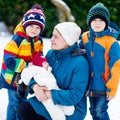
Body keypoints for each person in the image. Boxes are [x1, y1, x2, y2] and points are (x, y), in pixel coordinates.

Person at [17, 22, 89, 120]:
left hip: (72, 108)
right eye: (52, 35)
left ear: (68, 40)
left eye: (56, 37)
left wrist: (48, 93)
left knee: (29, 112)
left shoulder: (81, 63)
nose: (51, 39)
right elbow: (39, 73)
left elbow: (75, 95)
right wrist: (35, 86)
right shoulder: (51, 54)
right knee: (24, 109)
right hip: (48, 99)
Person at [0, 4, 46, 120]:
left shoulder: (38, 41)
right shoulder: (17, 40)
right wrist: (26, 65)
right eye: (31, 26)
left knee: (23, 103)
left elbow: (38, 55)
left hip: (26, 78)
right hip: (12, 77)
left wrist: (42, 62)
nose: (34, 30)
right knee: (14, 103)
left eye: (37, 27)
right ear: (25, 25)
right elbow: (9, 60)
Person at [80, 2, 120, 120]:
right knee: (93, 110)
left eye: (101, 21)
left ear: (106, 23)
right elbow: (80, 51)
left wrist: (111, 88)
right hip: (89, 84)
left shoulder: (111, 42)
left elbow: (116, 66)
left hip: (103, 84)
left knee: (99, 111)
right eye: (94, 20)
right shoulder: (85, 37)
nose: (97, 23)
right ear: (89, 22)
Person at [19, 52, 75, 120]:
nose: (47, 64)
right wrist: (35, 86)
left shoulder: (47, 69)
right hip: (45, 93)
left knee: (63, 104)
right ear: (40, 65)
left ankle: (68, 109)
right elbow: (26, 75)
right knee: (53, 108)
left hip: (54, 89)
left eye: (46, 62)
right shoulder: (36, 69)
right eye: (45, 63)